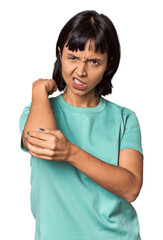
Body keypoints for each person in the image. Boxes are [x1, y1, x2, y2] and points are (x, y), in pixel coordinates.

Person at [19, 10, 144, 240]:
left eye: (94, 61)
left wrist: (70, 153)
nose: (81, 72)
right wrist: (38, 91)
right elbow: (41, 142)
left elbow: (131, 187)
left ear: (109, 63)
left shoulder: (125, 119)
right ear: (59, 54)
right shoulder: (37, 110)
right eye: (73, 57)